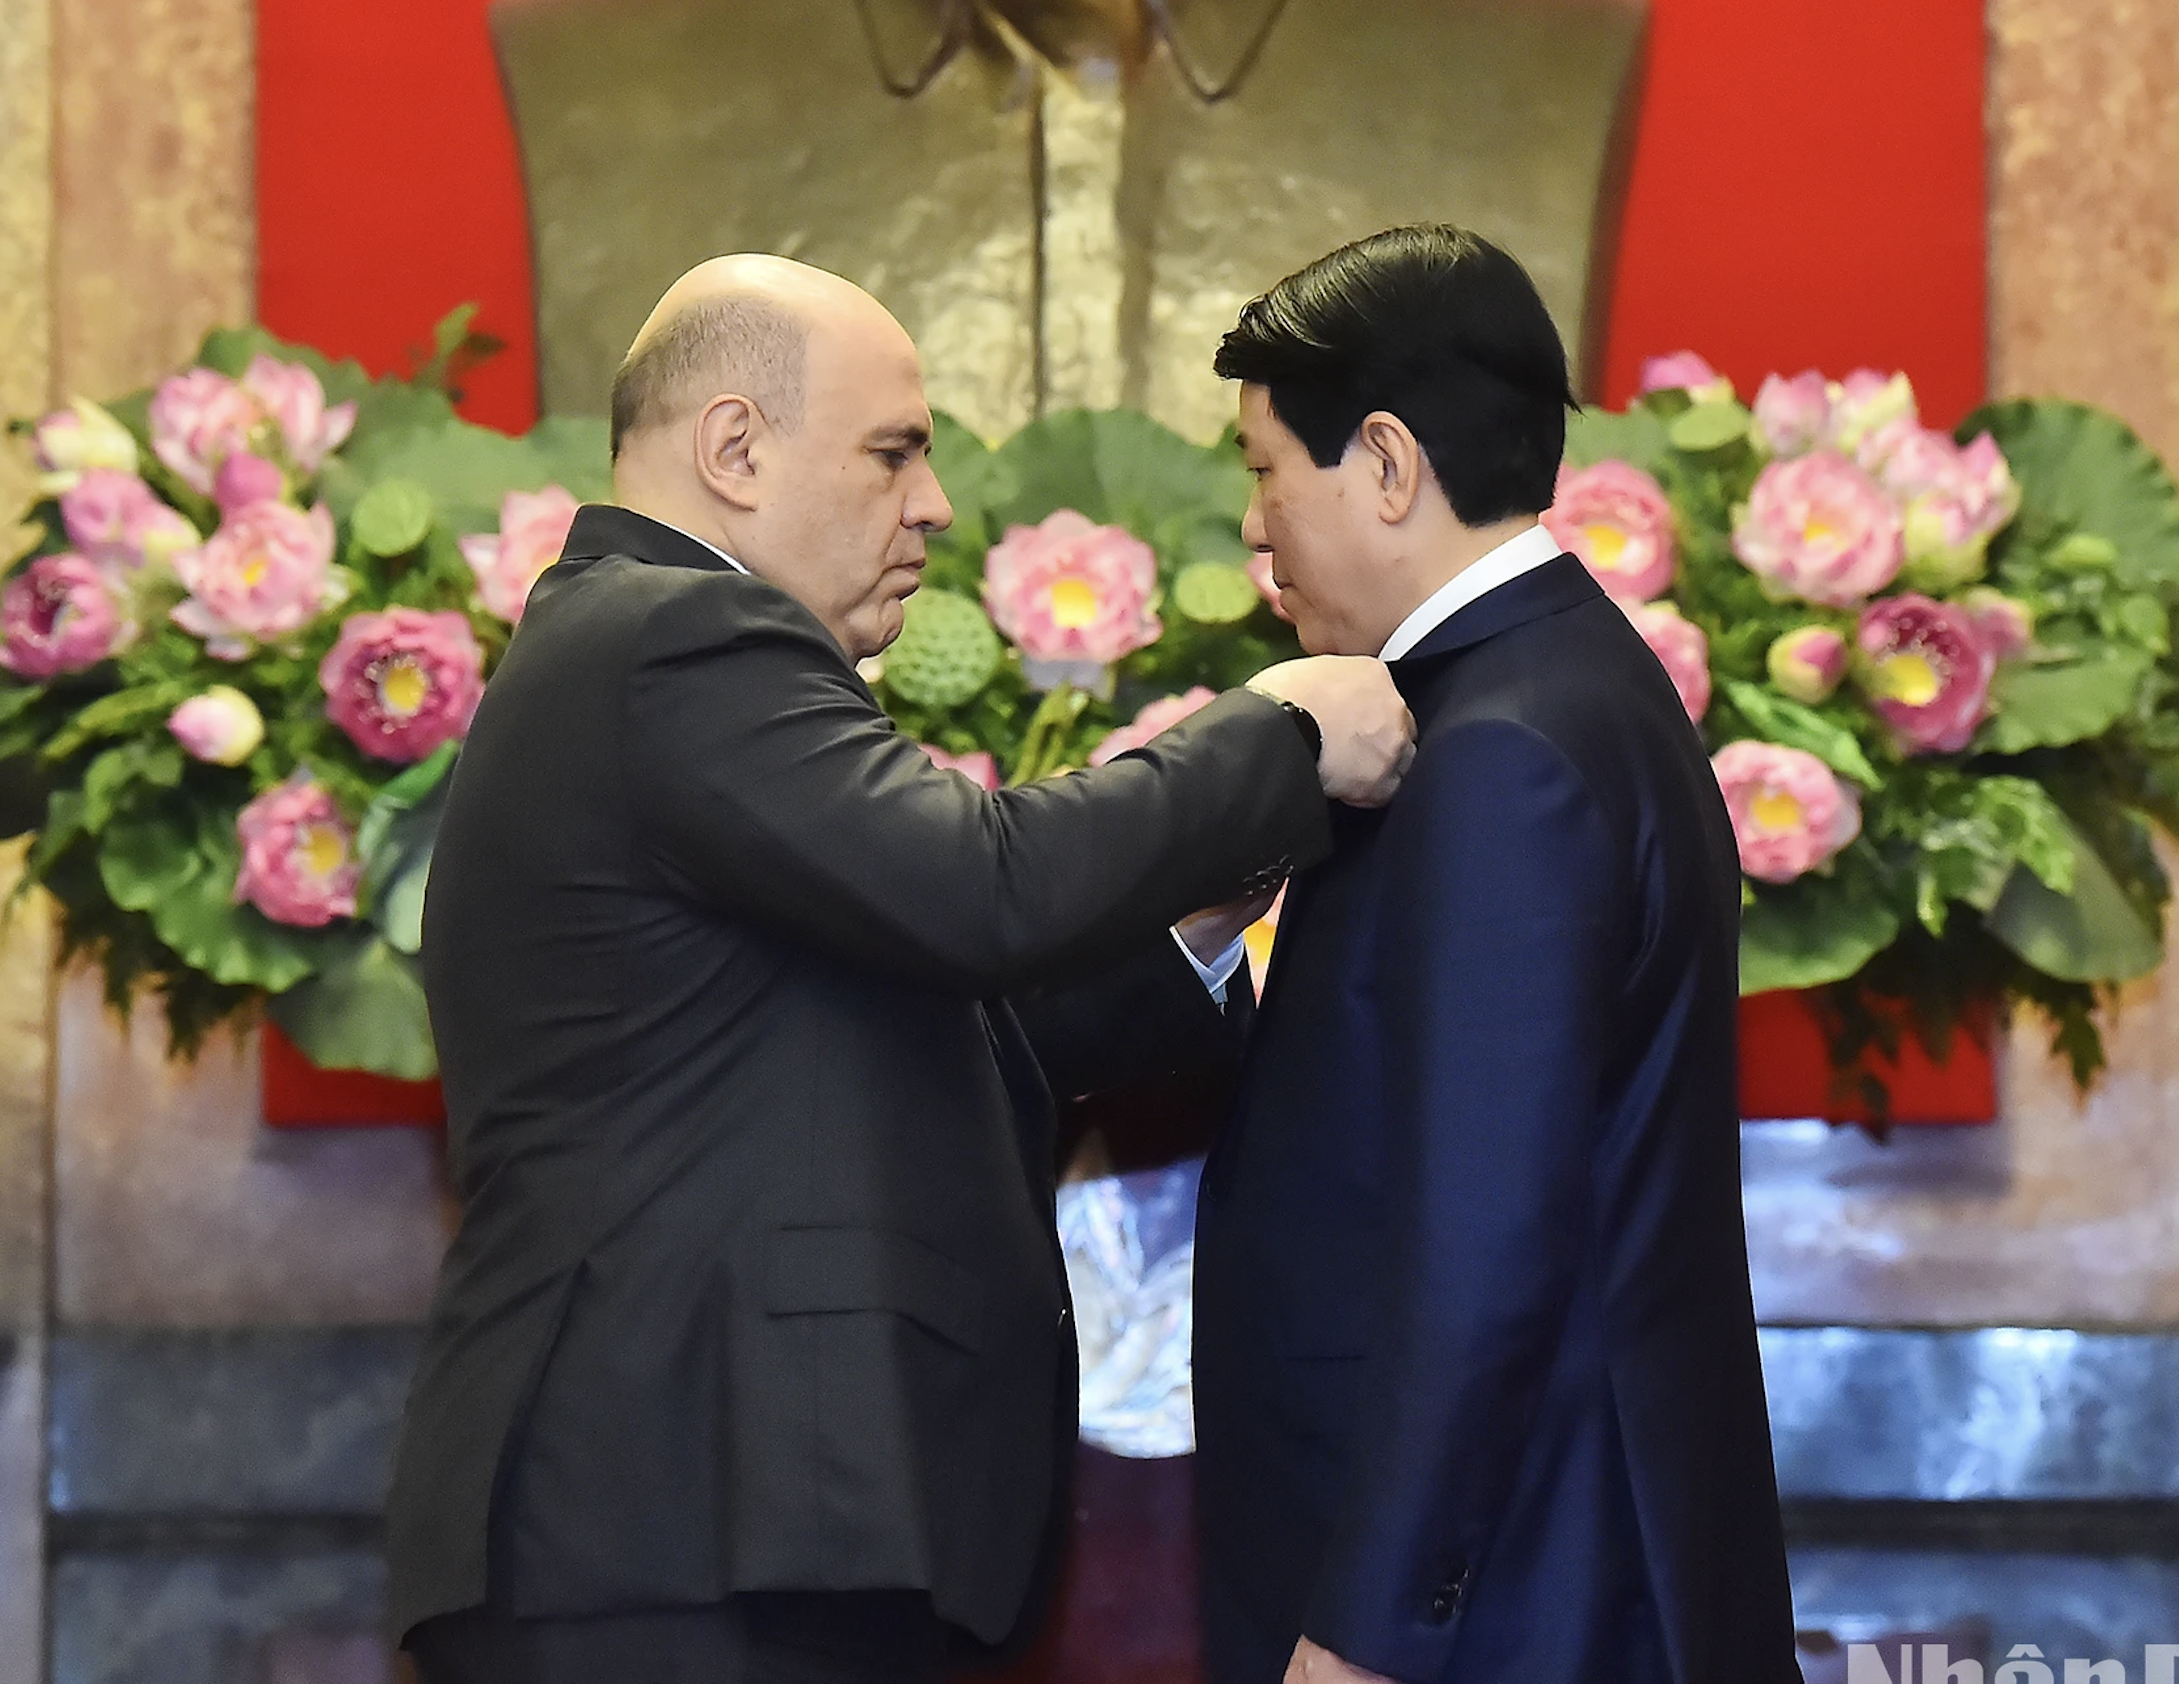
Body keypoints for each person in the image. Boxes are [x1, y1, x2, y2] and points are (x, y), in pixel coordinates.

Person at [384, 254, 1417, 1684]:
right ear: (734, 449)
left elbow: (957, 1014)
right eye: (891, 453)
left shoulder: (654, 656)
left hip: (721, 1524)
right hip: (681, 1518)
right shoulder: (672, 634)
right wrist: (1278, 735)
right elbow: (976, 886)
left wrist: (1193, 916)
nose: (932, 504)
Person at [1190, 226, 1801, 1684]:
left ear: (1387, 465)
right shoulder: (1567, 683)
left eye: (1268, 471)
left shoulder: (1497, 754)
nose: (1256, 528)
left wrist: (1363, 1634)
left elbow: (1483, 1248)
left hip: (1511, 1604)